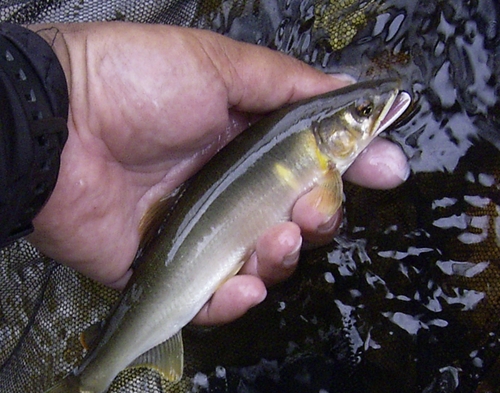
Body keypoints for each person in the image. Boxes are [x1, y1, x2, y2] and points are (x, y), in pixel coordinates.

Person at [0, 21, 409, 325]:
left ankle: (99, 369)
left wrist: (72, 88)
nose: (369, 113)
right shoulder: (324, 170)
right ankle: (93, 378)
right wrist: (69, 87)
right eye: (362, 113)